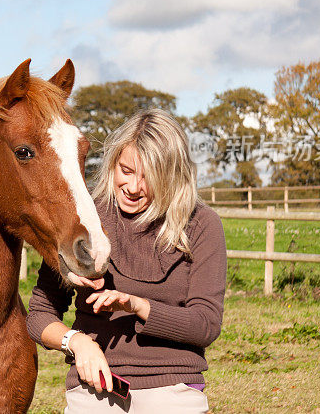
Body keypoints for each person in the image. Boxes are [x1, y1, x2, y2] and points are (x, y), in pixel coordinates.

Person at [26, 108, 227, 413]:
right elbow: (39, 315)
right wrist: (77, 343)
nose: (133, 188)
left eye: (149, 178)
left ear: (172, 177)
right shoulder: (85, 218)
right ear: (113, 163)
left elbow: (205, 325)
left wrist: (136, 306)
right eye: (126, 170)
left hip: (173, 388)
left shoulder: (201, 224)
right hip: (94, 388)